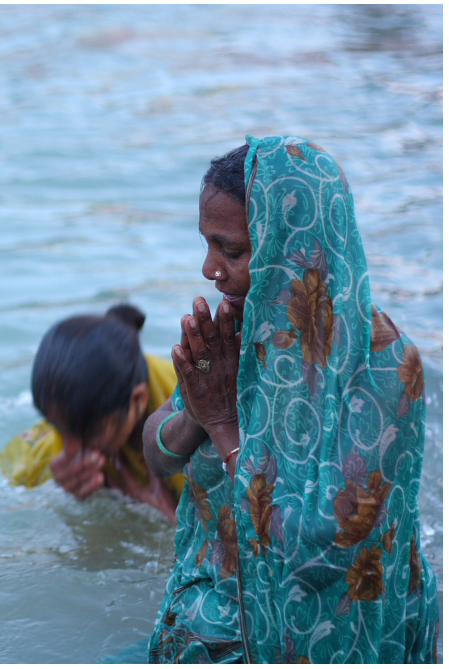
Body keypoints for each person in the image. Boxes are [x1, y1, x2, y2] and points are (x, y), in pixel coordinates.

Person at [140, 136, 439, 662]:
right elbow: (157, 457)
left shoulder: (384, 367)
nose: (210, 270)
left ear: (293, 246)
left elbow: (321, 552)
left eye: (231, 250)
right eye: (207, 244)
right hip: (210, 612)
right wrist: (197, 412)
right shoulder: (242, 334)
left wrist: (224, 425)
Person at [0, 304, 183, 521]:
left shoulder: (194, 420)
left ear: (138, 399)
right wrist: (57, 485)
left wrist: (169, 522)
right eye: (58, 428)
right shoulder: (73, 415)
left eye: (88, 433)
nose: (71, 450)